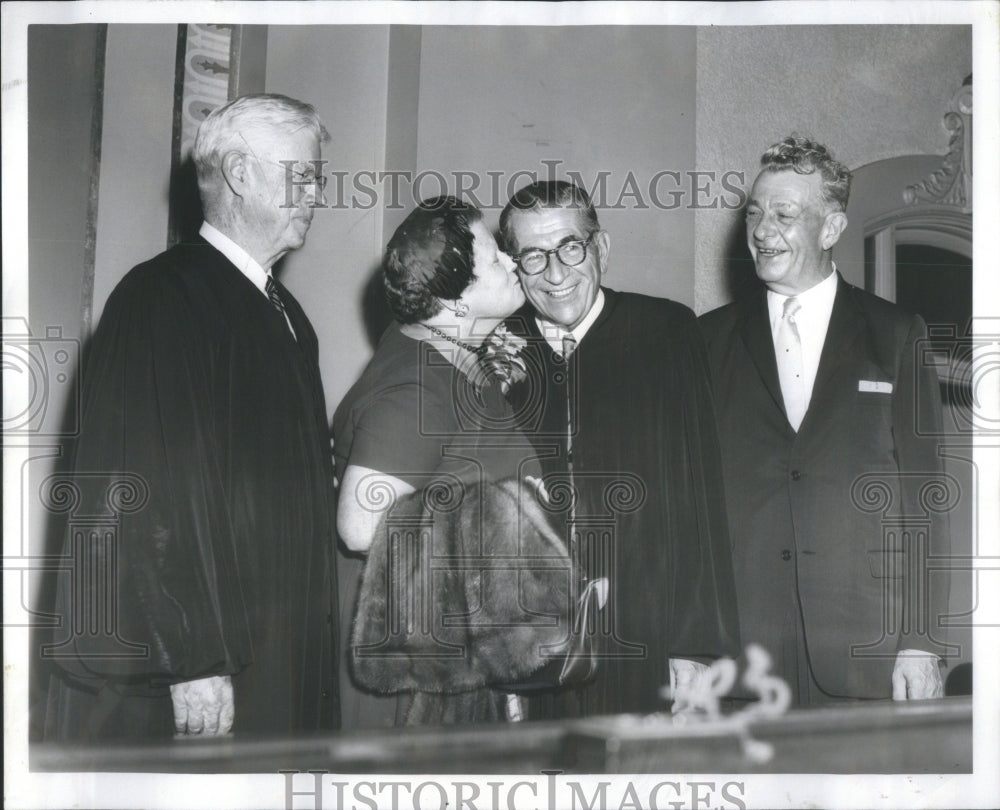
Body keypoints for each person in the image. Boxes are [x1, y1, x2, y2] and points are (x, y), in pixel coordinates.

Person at [43, 94, 339, 739]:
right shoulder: (161, 296)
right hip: (201, 664)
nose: (318, 192)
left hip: (275, 648)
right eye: (304, 175)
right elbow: (136, 489)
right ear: (240, 173)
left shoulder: (288, 314)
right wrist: (188, 655)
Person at [699, 136, 951, 706]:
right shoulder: (706, 340)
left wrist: (921, 641)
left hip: (867, 656)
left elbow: (927, 501)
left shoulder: (896, 335)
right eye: (755, 214)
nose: (762, 231)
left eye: (784, 215)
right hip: (742, 659)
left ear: (831, 228)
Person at [499, 180, 741, 719]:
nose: (555, 274)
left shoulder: (665, 332)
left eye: (570, 248)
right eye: (533, 256)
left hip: (646, 629)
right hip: (531, 641)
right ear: (513, 267)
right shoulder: (494, 344)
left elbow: (701, 490)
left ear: (601, 248)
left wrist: (696, 644)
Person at [334, 196, 564, 727]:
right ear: (455, 302)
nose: (511, 261)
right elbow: (360, 526)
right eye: (495, 259)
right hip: (415, 673)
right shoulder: (419, 385)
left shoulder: (448, 356)